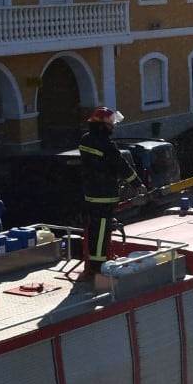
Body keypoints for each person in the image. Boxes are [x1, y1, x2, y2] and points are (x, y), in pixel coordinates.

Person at [77, 108, 139, 279]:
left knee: (94, 230)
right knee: (102, 232)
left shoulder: (85, 140)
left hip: (90, 194)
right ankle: (98, 268)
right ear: (102, 125)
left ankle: (93, 264)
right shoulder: (106, 144)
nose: (113, 127)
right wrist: (138, 184)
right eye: (111, 124)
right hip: (105, 195)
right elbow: (121, 165)